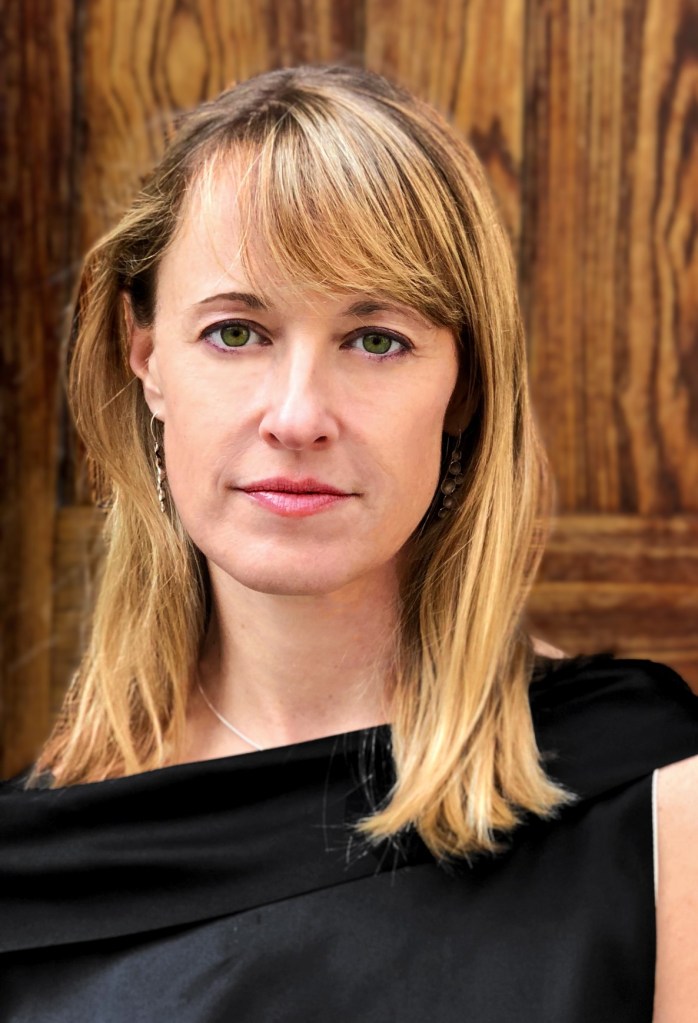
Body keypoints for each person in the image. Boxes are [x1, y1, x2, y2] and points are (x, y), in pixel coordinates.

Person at [0, 65, 696, 1022]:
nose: (297, 416)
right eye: (236, 331)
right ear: (147, 358)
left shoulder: (660, 803)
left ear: (466, 386)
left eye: (375, 340)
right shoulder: (35, 865)